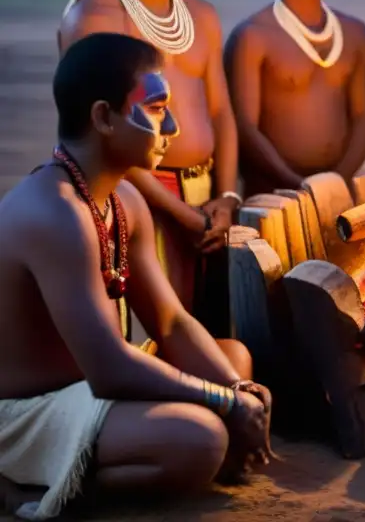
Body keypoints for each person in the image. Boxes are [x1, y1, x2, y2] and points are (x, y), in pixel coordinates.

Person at [0, 34, 272, 521]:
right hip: (29, 414)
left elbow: (168, 323)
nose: (171, 125)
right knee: (202, 440)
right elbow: (108, 367)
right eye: (155, 107)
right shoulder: (54, 212)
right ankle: (25, 485)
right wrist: (225, 406)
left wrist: (235, 391)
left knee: (235, 360)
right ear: (103, 117)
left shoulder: (124, 200)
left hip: (95, 391)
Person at [58, 0, 241, 324]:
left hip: (208, 204)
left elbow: (221, 112)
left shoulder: (203, 15)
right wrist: (180, 213)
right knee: (151, 334)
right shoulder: (92, 20)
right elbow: (101, 140)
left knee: (208, 327)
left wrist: (228, 197)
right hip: (134, 199)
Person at [224, 0, 365, 195]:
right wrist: (299, 187)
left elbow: (363, 119)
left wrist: (338, 182)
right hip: (271, 195)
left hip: (336, 193)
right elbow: (244, 128)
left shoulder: (355, 33)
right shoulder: (253, 37)